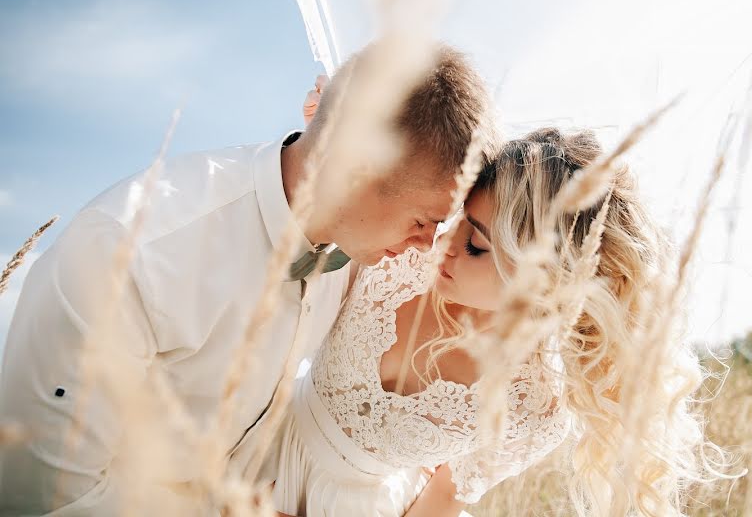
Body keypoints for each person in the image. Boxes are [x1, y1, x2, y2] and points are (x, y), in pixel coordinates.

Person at [0, 42, 499, 516]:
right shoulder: (128, 256)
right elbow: (44, 496)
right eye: (422, 222)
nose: (427, 246)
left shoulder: (361, 244)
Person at [269, 127, 708, 516]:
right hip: (261, 445)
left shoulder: (533, 407)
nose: (444, 246)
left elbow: (438, 504)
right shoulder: (399, 256)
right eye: (458, 221)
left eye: (476, 244)